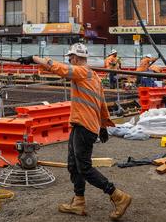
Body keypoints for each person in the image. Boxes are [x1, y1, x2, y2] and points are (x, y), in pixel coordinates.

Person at [25, 43, 131, 220]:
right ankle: (79, 201)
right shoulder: (94, 76)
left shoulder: (82, 72)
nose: (69, 60)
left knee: (84, 168)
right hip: (81, 125)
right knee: (73, 165)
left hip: (84, 126)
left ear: (74, 58)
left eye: (70, 58)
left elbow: (60, 69)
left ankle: (118, 196)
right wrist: (103, 125)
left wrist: (35, 58)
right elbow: (101, 102)